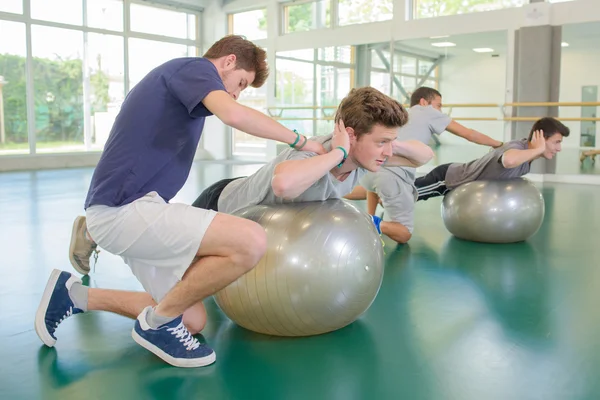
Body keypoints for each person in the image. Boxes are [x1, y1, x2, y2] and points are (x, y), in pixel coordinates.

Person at [35, 35, 328, 369]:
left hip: (135, 212)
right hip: (125, 210)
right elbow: (233, 114)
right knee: (250, 240)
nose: (235, 92)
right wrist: (302, 141)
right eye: (241, 83)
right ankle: (155, 323)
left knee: (190, 318)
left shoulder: (185, 89)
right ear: (228, 61)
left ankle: (74, 295)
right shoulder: (194, 69)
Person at [192, 87, 434, 219]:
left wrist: (391, 142)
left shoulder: (368, 154)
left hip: (261, 221)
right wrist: (338, 152)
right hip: (219, 205)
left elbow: (423, 157)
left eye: (389, 142)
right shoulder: (316, 151)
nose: (387, 151)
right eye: (381, 142)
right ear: (351, 135)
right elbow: (283, 185)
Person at [344, 86, 503, 244]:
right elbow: (469, 134)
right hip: (393, 176)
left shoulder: (403, 116)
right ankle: (368, 222)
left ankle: (367, 221)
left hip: (369, 170)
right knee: (404, 234)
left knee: (375, 184)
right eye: (439, 105)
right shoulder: (428, 112)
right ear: (423, 102)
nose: (440, 110)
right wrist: (499, 144)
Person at [415, 117, 570, 201]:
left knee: (403, 194)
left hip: (460, 182)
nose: (559, 148)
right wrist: (538, 149)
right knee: (405, 195)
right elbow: (508, 161)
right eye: (556, 142)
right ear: (542, 138)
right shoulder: (517, 147)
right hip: (447, 179)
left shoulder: (527, 157)